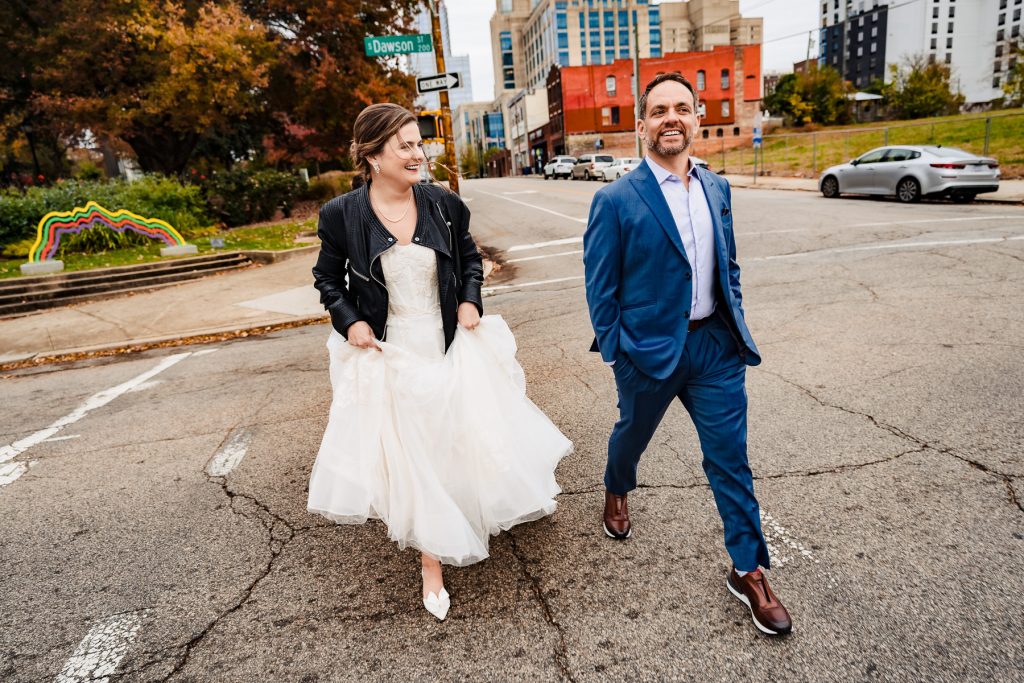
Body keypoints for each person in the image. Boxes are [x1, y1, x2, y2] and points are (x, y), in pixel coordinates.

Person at [308, 103, 571, 621]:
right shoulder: (341, 215)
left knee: (458, 440)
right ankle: (433, 559)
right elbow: (327, 280)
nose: (417, 153)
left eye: (418, 142)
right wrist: (350, 322)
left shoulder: (443, 204)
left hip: (449, 341)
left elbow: (470, 260)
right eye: (404, 145)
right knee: (416, 453)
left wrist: (471, 300)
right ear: (372, 155)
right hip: (391, 351)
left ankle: (464, 514)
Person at [583, 74, 793, 636]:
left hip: (715, 347)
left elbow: (729, 265)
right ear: (642, 124)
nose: (670, 118)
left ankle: (748, 571)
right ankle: (617, 485)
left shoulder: (717, 188)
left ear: (697, 117)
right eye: (658, 111)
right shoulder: (615, 199)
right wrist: (616, 355)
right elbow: (600, 289)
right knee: (632, 433)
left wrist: (735, 314)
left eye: (681, 108)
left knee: (731, 459)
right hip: (647, 353)